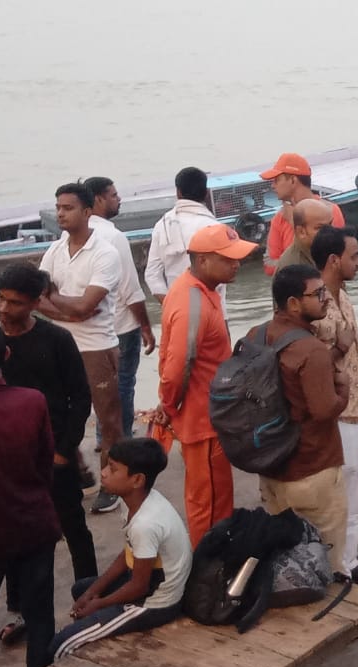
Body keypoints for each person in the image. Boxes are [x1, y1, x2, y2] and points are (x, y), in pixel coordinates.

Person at [48, 438, 191, 661]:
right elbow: (128, 554)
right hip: (148, 584)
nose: (103, 473)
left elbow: (139, 586)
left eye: (112, 469)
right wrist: (92, 592)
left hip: (155, 603)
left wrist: (100, 604)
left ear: (137, 480)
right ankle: (93, 626)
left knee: (61, 644)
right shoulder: (133, 500)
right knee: (81, 589)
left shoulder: (146, 524)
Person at [0, 264, 96, 588]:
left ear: (36, 303)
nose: (4, 308)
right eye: (0, 298)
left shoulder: (57, 340)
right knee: (12, 531)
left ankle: (87, 591)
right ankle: (17, 602)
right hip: (7, 457)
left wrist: (64, 451)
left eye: (15, 302)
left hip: (53, 451)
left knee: (73, 526)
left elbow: (79, 397)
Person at [250, 265, 351, 579]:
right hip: (312, 469)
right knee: (326, 564)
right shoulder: (310, 349)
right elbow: (324, 410)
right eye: (317, 294)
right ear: (294, 303)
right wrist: (343, 389)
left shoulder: (255, 335)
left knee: (286, 565)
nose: (325, 299)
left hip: (272, 468)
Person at [154, 224, 250, 546]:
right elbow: (176, 366)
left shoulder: (202, 291)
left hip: (211, 414)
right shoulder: (191, 301)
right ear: (203, 260)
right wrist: (169, 406)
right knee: (208, 504)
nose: (236, 265)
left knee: (215, 497)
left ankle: (216, 558)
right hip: (202, 421)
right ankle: (207, 563)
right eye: (228, 259)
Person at [37, 182, 125, 514]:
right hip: (60, 345)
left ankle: (111, 485)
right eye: (58, 208)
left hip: (97, 347)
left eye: (68, 208)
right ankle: (78, 474)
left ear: (87, 211)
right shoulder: (54, 250)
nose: (60, 214)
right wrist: (72, 311)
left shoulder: (105, 253)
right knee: (56, 415)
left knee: (109, 420)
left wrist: (58, 300)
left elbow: (86, 305)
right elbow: (38, 299)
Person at [310, 226, 358, 586]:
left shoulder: (342, 296)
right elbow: (308, 363)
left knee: (355, 491)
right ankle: (339, 563)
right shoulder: (316, 306)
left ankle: (348, 560)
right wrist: (338, 349)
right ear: (333, 260)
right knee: (340, 493)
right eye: (353, 256)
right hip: (337, 413)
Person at [0, 323, 61, 667]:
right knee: (40, 613)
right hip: (31, 520)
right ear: (6, 354)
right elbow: (45, 463)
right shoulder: (32, 401)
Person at [85, 177, 157, 440]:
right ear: (98, 199)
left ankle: (104, 436)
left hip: (90, 329)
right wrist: (146, 326)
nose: (119, 199)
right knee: (124, 383)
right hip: (121, 325)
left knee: (100, 385)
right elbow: (131, 290)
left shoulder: (73, 235)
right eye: (114, 195)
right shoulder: (114, 237)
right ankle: (121, 439)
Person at [144, 167, 224, 306]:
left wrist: (171, 305)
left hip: (177, 307)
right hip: (211, 307)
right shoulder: (214, 227)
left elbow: (152, 275)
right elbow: (221, 278)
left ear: (178, 192)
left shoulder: (162, 224)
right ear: (206, 193)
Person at [260, 153, 345, 267]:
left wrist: (293, 222)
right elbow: (269, 266)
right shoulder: (278, 218)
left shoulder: (330, 211)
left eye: (277, 180)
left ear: (293, 180)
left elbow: (333, 258)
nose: (273, 186)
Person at [275, 199, 335, 271]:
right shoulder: (293, 266)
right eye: (320, 228)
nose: (330, 230)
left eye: (330, 224)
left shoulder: (328, 248)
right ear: (301, 232)